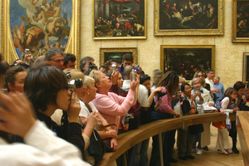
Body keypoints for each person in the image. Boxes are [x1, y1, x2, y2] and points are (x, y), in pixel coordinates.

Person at [24, 64, 97, 157]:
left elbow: (67, 143)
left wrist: (68, 114)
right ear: (51, 91)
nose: (70, 92)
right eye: (66, 88)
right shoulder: (34, 124)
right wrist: (73, 120)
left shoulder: (44, 118)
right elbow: (74, 154)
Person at [0, 92, 90, 166]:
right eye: (65, 88)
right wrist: (75, 120)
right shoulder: (11, 156)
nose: (70, 93)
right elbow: (75, 159)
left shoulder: (48, 120)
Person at [90, 70, 138, 150]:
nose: (108, 77)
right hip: (105, 138)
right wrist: (132, 89)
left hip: (113, 135)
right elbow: (121, 111)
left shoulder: (110, 94)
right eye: (104, 77)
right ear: (98, 84)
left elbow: (132, 102)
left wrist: (135, 87)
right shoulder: (98, 98)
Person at [150, 71, 180, 166]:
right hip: (161, 118)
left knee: (166, 143)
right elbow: (163, 106)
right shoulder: (163, 90)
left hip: (164, 117)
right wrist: (174, 112)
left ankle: (164, 161)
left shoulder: (166, 90)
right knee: (160, 144)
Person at [216, 87, 238, 155]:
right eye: (234, 94)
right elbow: (222, 110)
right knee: (224, 133)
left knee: (221, 133)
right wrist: (232, 110)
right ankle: (225, 148)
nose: (235, 95)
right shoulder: (227, 99)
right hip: (222, 119)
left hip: (226, 118)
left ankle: (220, 147)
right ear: (229, 94)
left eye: (236, 94)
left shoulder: (231, 100)